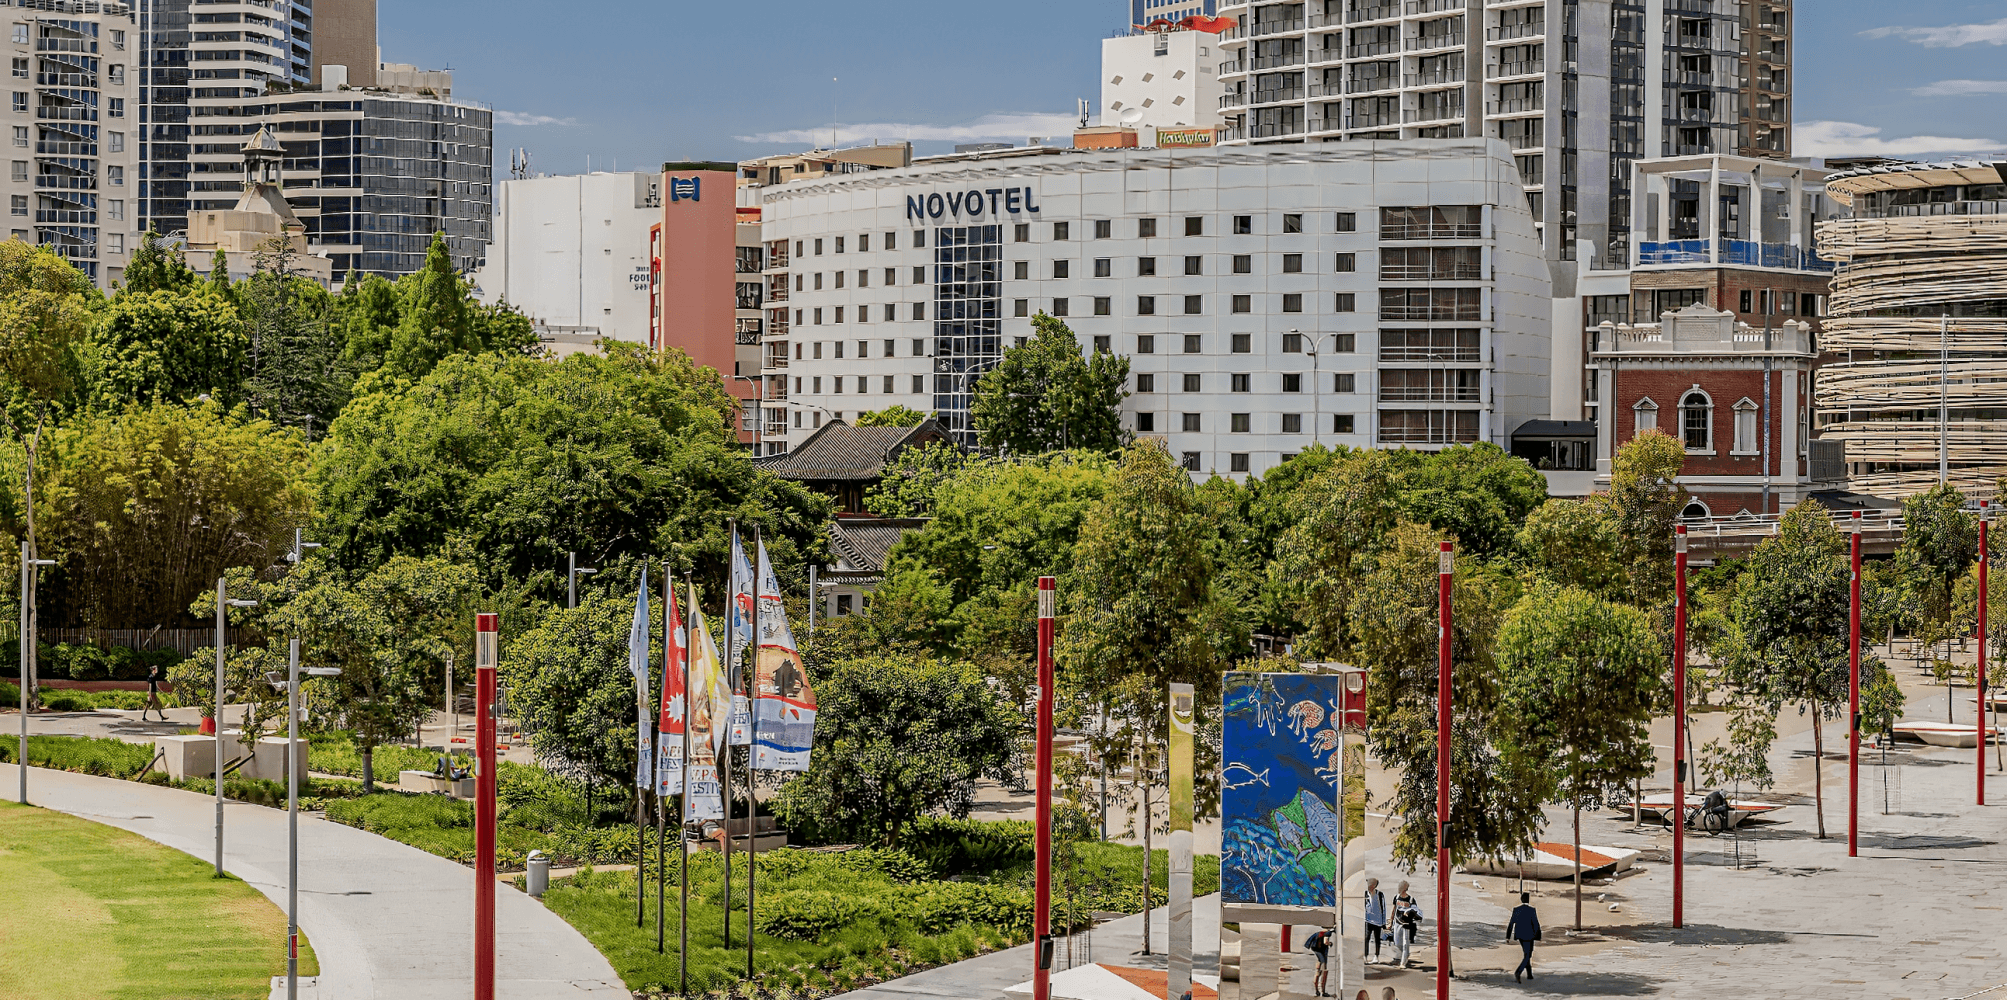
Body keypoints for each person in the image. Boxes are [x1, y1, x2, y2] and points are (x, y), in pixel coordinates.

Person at [1506, 890, 1542, 982]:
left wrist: (1508, 936)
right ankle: (1518, 972)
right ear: (1528, 900)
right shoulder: (1531, 910)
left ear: (1521, 900)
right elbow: (1536, 923)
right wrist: (1538, 935)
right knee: (1528, 955)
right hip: (1530, 935)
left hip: (1520, 935)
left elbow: (1511, 923)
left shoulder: (1516, 910)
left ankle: (1529, 974)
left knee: (1527, 954)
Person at [1391, 882, 1422, 969]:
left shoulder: (1411, 899)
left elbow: (1416, 911)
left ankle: (1403, 962)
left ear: (1405, 888)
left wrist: (1409, 912)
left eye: (1400, 887)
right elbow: (1394, 910)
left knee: (1405, 944)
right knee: (1397, 943)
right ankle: (1402, 957)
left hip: (1407, 925)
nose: (1399, 888)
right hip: (1397, 923)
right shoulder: (1396, 897)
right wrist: (1390, 921)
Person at [1362, 877, 1386, 962]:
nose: (1369, 886)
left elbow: (1383, 908)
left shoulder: (1380, 895)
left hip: (1378, 921)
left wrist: (1384, 923)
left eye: (1370, 884)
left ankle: (1376, 956)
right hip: (1368, 920)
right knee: (1366, 938)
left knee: (1377, 939)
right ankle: (1365, 956)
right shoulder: (1364, 894)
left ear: (1374, 885)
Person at [1305, 925, 1333, 997]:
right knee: (1324, 971)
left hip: (1317, 954)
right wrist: (1330, 943)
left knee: (1317, 971)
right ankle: (1323, 992)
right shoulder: (1327, 933)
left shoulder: (1317, 933)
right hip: (1323, 955)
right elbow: (1325, 942)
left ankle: (1316, 990)